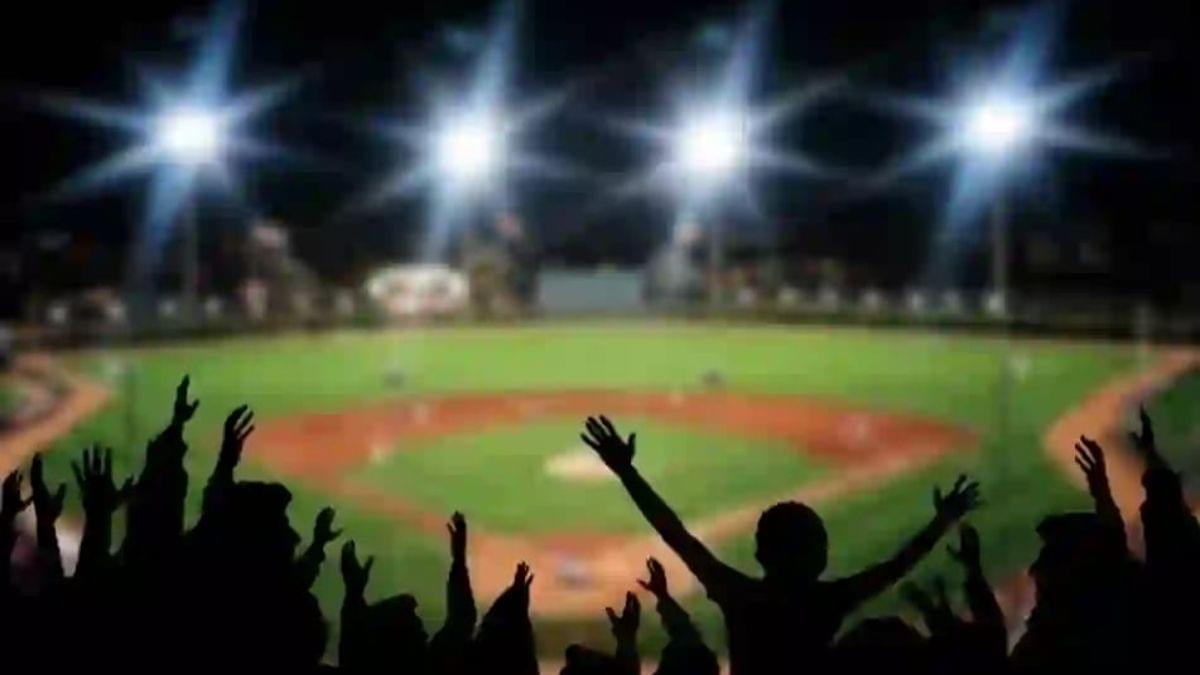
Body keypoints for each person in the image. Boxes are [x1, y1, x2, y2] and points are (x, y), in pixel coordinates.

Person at [581, 415, 981, 675]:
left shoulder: (739, 596)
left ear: (760, 554)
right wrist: (943, 520)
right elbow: (898, 565)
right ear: (820, 555)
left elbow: (675, 533)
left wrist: (626, 472)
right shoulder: (828, 602)